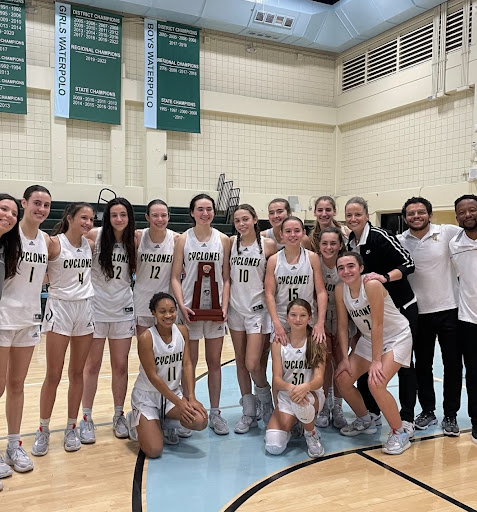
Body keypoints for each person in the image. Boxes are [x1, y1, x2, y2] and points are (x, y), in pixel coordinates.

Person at [345, 197, 417, 436]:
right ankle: (371, 413)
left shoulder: (379, 236)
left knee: (405, 367)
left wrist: (384, 277)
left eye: (358, 214)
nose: (353, 219)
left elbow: (409, 263)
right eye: (349, 215)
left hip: (400, 308)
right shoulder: (350, 242)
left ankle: (405, 419)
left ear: (367, 215)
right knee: (363, 373)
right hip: (370, 316)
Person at [31, 203, 95, 457]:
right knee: (54, 374)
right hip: (60, 309)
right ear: (69, 218)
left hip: (85, 309)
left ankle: (71, 427)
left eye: (91, 219)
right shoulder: (54, 244)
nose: (88, 223)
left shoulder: (90, 245)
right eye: (83, 218)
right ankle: (43, 428)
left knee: (77, 372)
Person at [335, 252, 413, 455]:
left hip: (397, 336)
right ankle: (365, 419)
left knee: (376, 383)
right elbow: (343, 326)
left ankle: (400, 432)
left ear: (361, 268)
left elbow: (378, 323)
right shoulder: (340, 289)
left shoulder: (371, 285)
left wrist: (376, 361)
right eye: (341, 268)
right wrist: (344, 358)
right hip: (370, 340)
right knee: (342, 379)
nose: (346, 271)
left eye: (351, 266)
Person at [399, 197, 462, 435]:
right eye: (411, 213)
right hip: (418, 314)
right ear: (405, 217)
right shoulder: (400, 241)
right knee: (422, 366)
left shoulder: (447, 233)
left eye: (421, 212)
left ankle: (451, 415)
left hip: (449, 310)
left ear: (429, 214)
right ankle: (428, 411)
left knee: (453, 366)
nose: (416, 216)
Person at [0, 186, 50, 478]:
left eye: (46, 205)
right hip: (3, 319)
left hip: (30, 321)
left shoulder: (47, 241)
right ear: (24, 204)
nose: (41, 209)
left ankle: (12, 444)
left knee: (17, 386)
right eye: (36, 203)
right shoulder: (8, 236)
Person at [171, 194, 231, 435]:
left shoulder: (224, 240)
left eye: (209, 209)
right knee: (189, 364)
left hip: (215, 311)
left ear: (214, 213)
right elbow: (175, 277)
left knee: (214, 363)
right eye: (200, 209)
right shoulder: (183, 239)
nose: (205, 213)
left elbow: (226, 277)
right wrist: (181, 304)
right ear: (192, 213)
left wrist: (225, 305)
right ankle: (189, 410)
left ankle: (215, 413)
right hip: (190, 311)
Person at [81, 197, 137, 443]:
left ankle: (118, 414)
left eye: (123, 215)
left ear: (129, 217)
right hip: (96, 308)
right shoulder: (94, 236)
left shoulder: (134, 239)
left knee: (120, 366)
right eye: (114, 215)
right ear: (108, 216)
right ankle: (86, 417)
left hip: (123, 308)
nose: (119, 219)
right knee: (91, 366)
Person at [126, 293, 208, 457]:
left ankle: (165, 423)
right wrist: (179, 402)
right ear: (153, 313)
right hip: (147, 397)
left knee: (200, 421)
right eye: (162, 311)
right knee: (154, 451)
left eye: (172, 311)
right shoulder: (146, 338)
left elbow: (187, 364)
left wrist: (190, 397)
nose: (168, 315)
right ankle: (135, 421)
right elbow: (153, 377)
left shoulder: (182, 331)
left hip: (172, 394)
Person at [229, 204, 276, 432]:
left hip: (258, 310)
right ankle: (248, 410)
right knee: (240, 362)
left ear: (255, 219)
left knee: (253, 363)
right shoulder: (231, 243)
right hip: (235, 309)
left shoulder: (267, 245)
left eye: (245, 219)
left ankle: (266, 402)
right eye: (237, 220)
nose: (241, 224)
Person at [265, 299, 326, 458]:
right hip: (288, 394)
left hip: (310, 394)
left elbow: (319, 379)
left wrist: (304, 388)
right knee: (274, 447)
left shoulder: (316, 340)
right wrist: (292, 389)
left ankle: (310, 433)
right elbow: (277, 379)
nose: (298, 319)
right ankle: (297, 425)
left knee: (303, 401)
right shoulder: (279, 342)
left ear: (310, 318)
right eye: (293, 315)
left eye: (302, 315)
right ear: (286, 317)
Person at [265, 216, 327, 346]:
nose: (292, 235)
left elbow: (321, 292)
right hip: (282, 319)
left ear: (304, 233)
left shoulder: (312, 258)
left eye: (297, 230)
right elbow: (269, 294)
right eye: (288, 231)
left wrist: (320, 323)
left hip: (307, 319)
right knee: (282, 363)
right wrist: (276, 324)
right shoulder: (274, 260)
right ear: (281, 234)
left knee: (310, 362)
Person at [314, 227, 353, 430]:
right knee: (323, 363)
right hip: (319, 317)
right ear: (319, 245)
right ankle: (322, 406)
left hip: (342, 317)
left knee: (340, 361)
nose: (329, 247)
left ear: (340, 245)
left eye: (333, 243)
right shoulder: (314, 262)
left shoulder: (346, 263)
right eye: (324, 243)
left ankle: (337, 406)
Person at [449, 194, 477, 445]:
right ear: (456, 217)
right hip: (468, 319)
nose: (468, 215)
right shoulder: (455, 244)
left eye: (472, 210)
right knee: (473, 373)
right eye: (463, 212)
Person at [0, 193, 21, 491]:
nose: (7, 215)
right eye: (3, 209)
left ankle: (12, 447)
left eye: (12, 213)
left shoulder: (6, 247)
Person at [134, 199, 178, 338]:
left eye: (163, 215)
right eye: (155, 215)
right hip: (142, 300)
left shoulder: (176, 239)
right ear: (147, 217)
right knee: (144, 345)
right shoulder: (138, 236)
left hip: (167, 302)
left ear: (169, 217)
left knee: (165, 346)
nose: (160, 219)